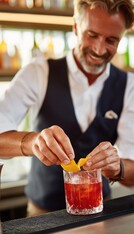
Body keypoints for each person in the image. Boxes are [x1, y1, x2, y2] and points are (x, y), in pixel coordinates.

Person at [0, 0, 134, 217]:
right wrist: (34, 142)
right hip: (42, 217)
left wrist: (117, 166)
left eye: (111, 40)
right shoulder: (38, 73)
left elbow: (132, 171)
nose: (99, 49)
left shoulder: (129, 85)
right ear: (75, 27)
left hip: (100, 214)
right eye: (91, 35)